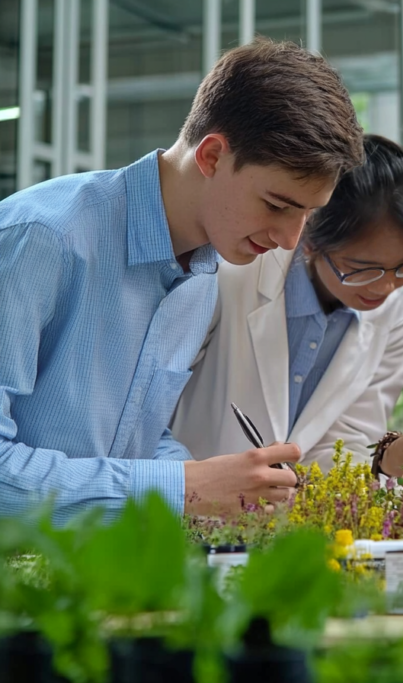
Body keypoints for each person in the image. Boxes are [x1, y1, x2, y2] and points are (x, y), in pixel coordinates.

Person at [0, 38, 364, 523]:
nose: (288, 239)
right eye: (278, 206)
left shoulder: (201, 276)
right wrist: (185, 487)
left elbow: (133, 439)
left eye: (307, 216)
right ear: (211, 156)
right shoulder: (42, 238)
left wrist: (217, 487)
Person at [173, 135, 403, 476]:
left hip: (289, 522)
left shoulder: (402, 309)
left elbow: (344, 440)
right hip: (187, 507)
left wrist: (388, 460)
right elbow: (149, 415)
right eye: (363, 268)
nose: (386, 286)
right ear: (309, 241)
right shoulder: (230, 275)